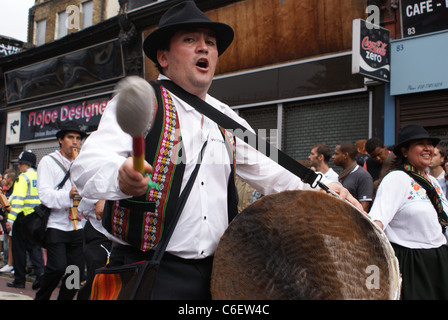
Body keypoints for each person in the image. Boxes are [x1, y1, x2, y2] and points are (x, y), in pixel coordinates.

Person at [71, 1, 362, 300]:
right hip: (147, 273)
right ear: (163, 57)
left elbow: (275, 171)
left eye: (210, 43)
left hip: (215, 276)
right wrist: (120, 178)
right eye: (190, 40)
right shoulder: (144, 102)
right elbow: (87, 164)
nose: (204, 48)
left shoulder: (227, 118)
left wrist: (328, 187)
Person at [369, 124, 448, 299]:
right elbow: (377, 220)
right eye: (420, 143)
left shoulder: (434, 182)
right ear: (405, 151)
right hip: (412, 263)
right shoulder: (396, 179)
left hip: (439, 258)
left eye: (430, 144)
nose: (428, 148)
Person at [34, 122, 87, 300]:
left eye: (78, 138)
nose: (75, 142)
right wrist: (68, 196)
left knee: (76, 272)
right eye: (70, 137)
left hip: (78, 227)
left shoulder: (83, 163)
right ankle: (41, 297)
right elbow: (44, 195)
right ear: (60, 140)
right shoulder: (48, 161)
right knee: (57, 267)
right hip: (56, 225)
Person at [5, 151, 44, 289]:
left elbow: (18, 201)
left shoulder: (23, 178)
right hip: (36, 217)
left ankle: (19, 280)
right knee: (34, 248)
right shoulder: (40, 177)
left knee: (19, 250)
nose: (19, 166)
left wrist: (11, 219)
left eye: (20, 164)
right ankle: (40, 274)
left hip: (22, 217)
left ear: (26, 164)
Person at [76, 198, 112, 300]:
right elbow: (85, 191)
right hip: (97, 230)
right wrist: (98, 199)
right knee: (95, 277)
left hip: (122, 235)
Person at [333, 142, 373, 212]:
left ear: (345, 155)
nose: (333, 156)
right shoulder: (343, 175)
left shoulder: (363, 176)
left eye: (336, 154)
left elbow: (364, 207)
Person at [0, 169, 17, 273]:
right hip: (10, 218)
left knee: (13, 243)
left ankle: (14, 265)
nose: (4, 180)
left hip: (15, 218)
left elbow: (11, 204)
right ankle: (9, 264)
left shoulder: (14, 189)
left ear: (10, 178)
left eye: (5, 178)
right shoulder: (10, 190)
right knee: (9, 242)